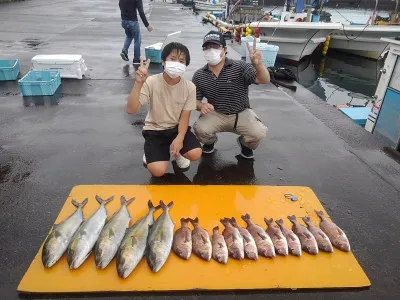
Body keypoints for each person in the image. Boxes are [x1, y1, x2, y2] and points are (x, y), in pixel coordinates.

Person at [126, 42, 202, 177]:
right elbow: (131, 110)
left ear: (185, 65)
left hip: (176, 128)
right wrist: (138, 84)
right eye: (172, 59)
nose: (177, 63)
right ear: (163, 61)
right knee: (158, 171)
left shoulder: (190, 87)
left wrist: (179, 138)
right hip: (155, 129)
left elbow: (185, 117)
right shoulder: (151, 82)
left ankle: (177, 152)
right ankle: (152, 151)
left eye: (181, 61)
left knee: (195, 153)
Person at [192, 31, 270, 159]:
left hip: (241, 112)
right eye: (207, 47)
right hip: (216, 112)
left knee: (258, 133)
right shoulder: (199, 75)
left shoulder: (240, 66)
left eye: (216, 46)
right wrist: (200, 105)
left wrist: (258, 65)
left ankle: (245, 144)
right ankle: (210, 142)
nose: (211, 50)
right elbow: (194, 100)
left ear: (225, 49)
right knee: (200, 129)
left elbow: (264, 80)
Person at [119, 0, 153, 64]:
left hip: (124, 21)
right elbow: (141, 12)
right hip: (132, 21)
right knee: (137, 39)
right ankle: (136, 59)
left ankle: (124, 51)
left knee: (129, 36)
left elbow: (120, 5)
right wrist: (147, 25)